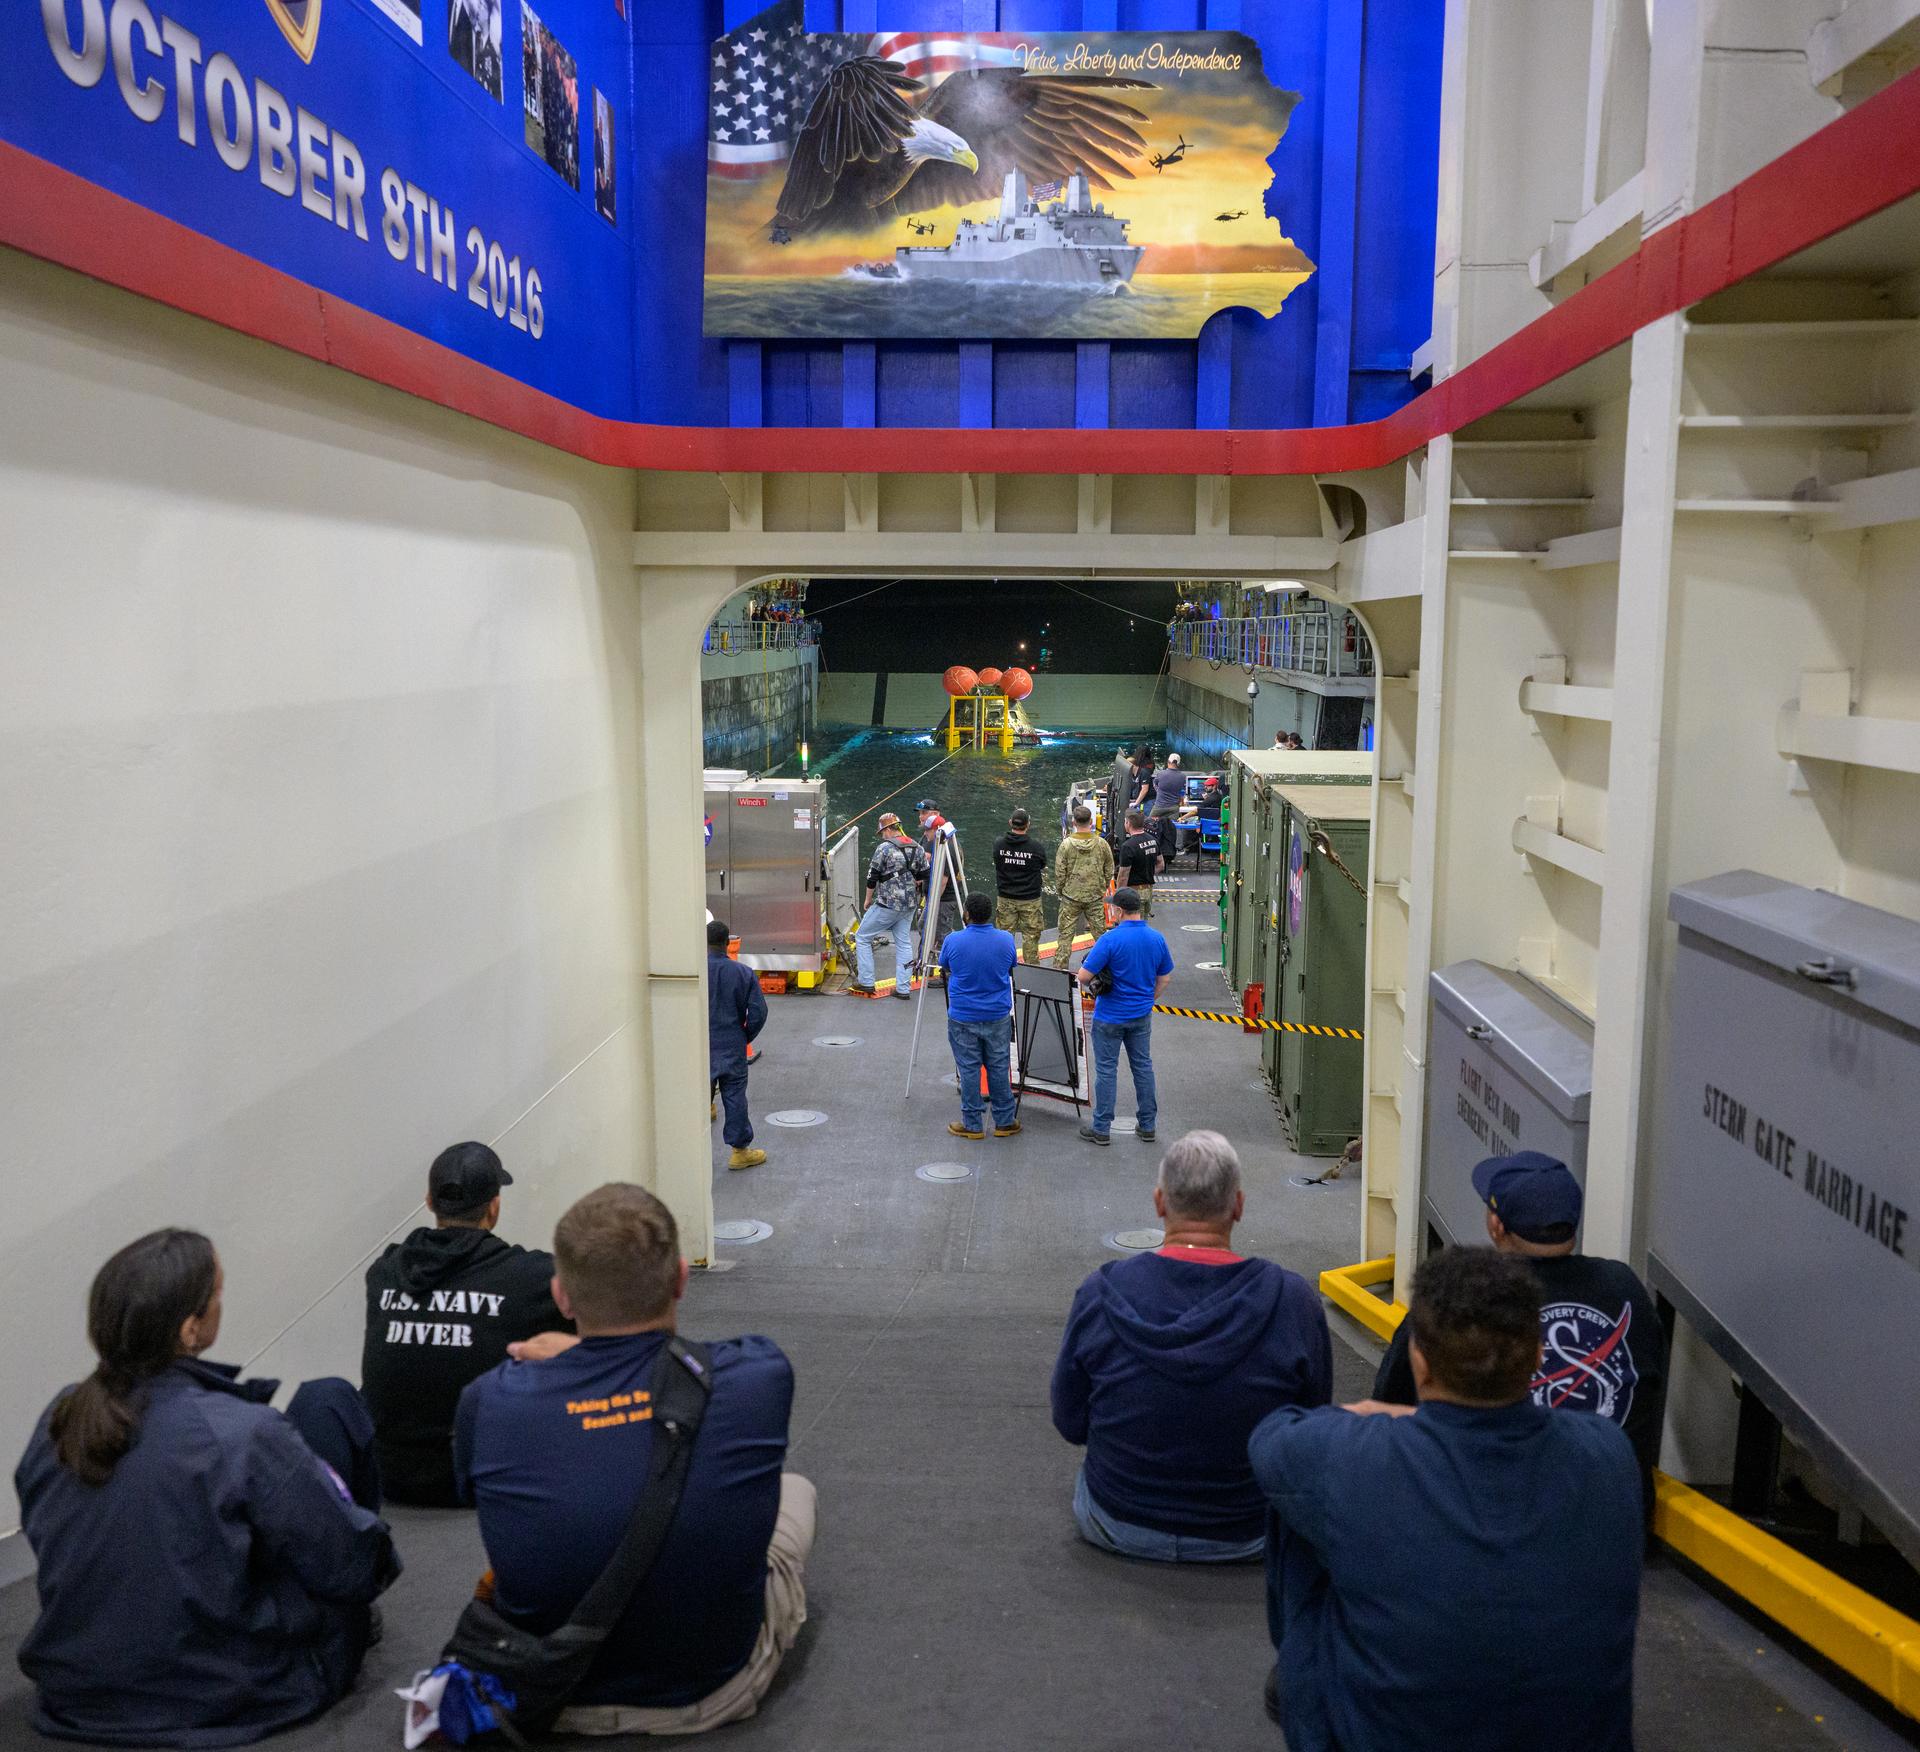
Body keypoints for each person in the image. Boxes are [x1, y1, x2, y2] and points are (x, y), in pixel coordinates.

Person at [1250, 1246, 1641, 1752]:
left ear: (1419, 1359)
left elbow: (1270, 1441)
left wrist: (1379, 1413)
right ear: (1539, 1354)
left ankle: (1310, 1687)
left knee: (1299, 1506)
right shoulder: (1608, 1453)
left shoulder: (1354, 1458)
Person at [16, 1230, 399, 1747]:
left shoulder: (59, 1417)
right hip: (228, 1697)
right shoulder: (244, 1433)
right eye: (217, 1294)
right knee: (328, 1402)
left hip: (75, 1695)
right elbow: (352, 1567)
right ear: (191, 1328)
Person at [457, 1185, 811, 1734]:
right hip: (709, 1688)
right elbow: (674, 1367)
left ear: (562, 1297)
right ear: (681, 1280)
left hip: (545, 1689)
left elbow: (469, 1496)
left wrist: (580, 1363)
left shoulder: (489, 1400)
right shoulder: (757, 1376)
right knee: (795, 1491)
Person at [1051, 1132, 1331, 1561]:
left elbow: (1071, 1422)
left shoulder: (1100, 1294)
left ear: (1160, 1203)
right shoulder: (1291, 1300)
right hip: (1249, 1533)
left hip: (1118, 1522)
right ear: (1238, 1206)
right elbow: (1309, 1433)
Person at [1371, 1151, 1668, 1515]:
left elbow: (1390, 1401)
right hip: (1612, 1514)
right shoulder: (1625, 1287)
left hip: (1486, 1515)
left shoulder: (1463, 1296)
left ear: (1496, 1225)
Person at [361, 1142, 573, 1507]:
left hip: (390, 1477)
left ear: (429, 1201)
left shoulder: (385, 1273)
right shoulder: (534, 1278)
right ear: (494, 1207)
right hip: (486, 1476)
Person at [1075, 887, 1173, 1145]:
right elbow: (1165, 978)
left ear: (1118, 911)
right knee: (1142, 1067)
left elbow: (1083, 976)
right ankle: (1148, 1125)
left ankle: (1101, 1128)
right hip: (1140, 1016)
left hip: (1109, 1016)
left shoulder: (1109, 940)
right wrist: (1147, 999)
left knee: (1107, 1070)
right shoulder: (1156, 939)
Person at [938, 891, 1019, 1140]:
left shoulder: (953, 940)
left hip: (963, 1015)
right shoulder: (1006, 939)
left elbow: (945, 965)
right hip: (997, 1014)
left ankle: (972, 1123)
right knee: (998, 1066)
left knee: (969, 1068)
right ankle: (1005, 1120)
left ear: (967, 914)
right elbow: (1011, 966)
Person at [709, 918, 768, 1170]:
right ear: (727, 943)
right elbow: (758, 1012)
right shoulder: (743, 973)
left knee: (694, 1095)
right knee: (734, 1095)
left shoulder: (696, 972)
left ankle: (687, 1151)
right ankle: (739, 1152)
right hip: (731, 1042)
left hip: (700, 1043)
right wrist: (744, 1036)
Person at [852, 812, 928, 997]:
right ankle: (903, 988)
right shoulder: (916, 846)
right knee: (904, 943)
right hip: (909, 904)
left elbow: (872, 877)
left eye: (882, 832)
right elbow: (925, 874)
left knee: (862, 937)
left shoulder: (884, 849)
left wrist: (867, 900)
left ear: (887, 829)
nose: (882, 836)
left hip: (887, 903)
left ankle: (867, 981)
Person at [1053, 803, 1114, 971]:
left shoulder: (1066, 845)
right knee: (1100, 936)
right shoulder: (1102, 844)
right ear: (1091, 821)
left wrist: (1062, 891)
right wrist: (1101, 887)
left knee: (1065, 937)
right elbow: (1109, 870)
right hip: (1094, 896)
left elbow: (1059, 873)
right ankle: (1108, 970)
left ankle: (1059, 971)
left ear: (1074, 823)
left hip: (1071, 897)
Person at [991, 807, 1048, 964]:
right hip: (1030, 899)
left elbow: (997, 861)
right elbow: (1042, 864)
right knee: (1031, 936)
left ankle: (1004, 967)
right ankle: (1031, 969)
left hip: (1005, 897)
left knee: (1004, 937)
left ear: (1010, 823)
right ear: (1028, 824)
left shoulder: (999, 845)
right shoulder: (1036, 847)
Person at [1116, 810, 1164, 915]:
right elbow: (1161, 865)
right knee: (1143, 923)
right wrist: (1146, 873)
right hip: (1148, 891)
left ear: (1128, 823)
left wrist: (1119, 896)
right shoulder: (1153, 840)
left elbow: (1123, 876)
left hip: (1134, 894)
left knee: (1132, 926)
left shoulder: (1128, 846)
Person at [1149, 752, 1186, 860]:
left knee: (1150, 823)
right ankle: (1179, 848)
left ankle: (1150, 845)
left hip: (1159, 806)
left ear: (1168, 762)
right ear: (1178, 763)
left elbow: (1155, 783)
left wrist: (1158, 791)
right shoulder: (1182, 776)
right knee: (1175, 826)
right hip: (1174, 807)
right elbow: (1182, 791)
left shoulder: (1161, 774)